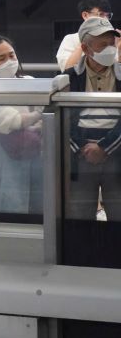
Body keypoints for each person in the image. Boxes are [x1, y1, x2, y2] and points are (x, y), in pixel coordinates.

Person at [64, 17, 121, 221]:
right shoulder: (69, 77)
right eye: (102, 45)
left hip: (117, 154)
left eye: (111, 44)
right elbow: (62, 117)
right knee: (78, 216)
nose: (110, 49)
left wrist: (105, 147)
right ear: (86, 49)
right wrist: (83, 147)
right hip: (80, 156)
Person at [0, 35, 44, 214]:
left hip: (37, 154)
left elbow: (47, 117)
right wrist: (36, 116)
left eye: (12, 55)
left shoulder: (30, 82)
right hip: (7, 157)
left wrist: (32, 118)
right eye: (1, 58)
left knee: (39, 206)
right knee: (11, 207)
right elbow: (13, 121)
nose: (9, 61)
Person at [56, 0, 115, 72]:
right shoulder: (71, 39)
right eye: (101, 14)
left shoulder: (114, 38)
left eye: (108, 15)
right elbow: (67, 69)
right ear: (85, 15)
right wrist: (83, 43)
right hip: (82, 83)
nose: (106, 19)